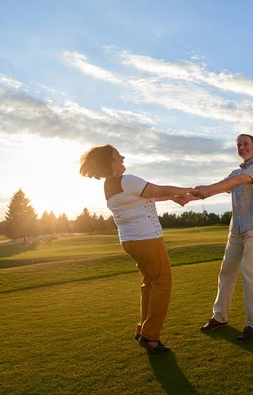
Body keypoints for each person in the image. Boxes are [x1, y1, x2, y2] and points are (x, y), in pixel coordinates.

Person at [79, 144, 197, 354]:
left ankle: (143, 329)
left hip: (130, 242)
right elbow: (158, 190)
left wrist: (171, 196)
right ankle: (150, 336)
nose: (123, 157)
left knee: (150, 283)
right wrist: (192, 190)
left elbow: (149, 195)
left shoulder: (111, 185)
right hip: (148, 239)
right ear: (110, 161)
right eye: (118, 155)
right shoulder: (128, 180)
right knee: (163, 283)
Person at [192, 134, 253, 342]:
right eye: (239, 145)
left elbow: (238, 181)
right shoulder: (235, 172)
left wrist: (209, 189)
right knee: (226, 272)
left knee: (250, 273)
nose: (242, 147)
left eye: (246, 143)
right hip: (236, 228)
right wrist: (190, 194)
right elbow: (222, 185)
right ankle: (220, 317)